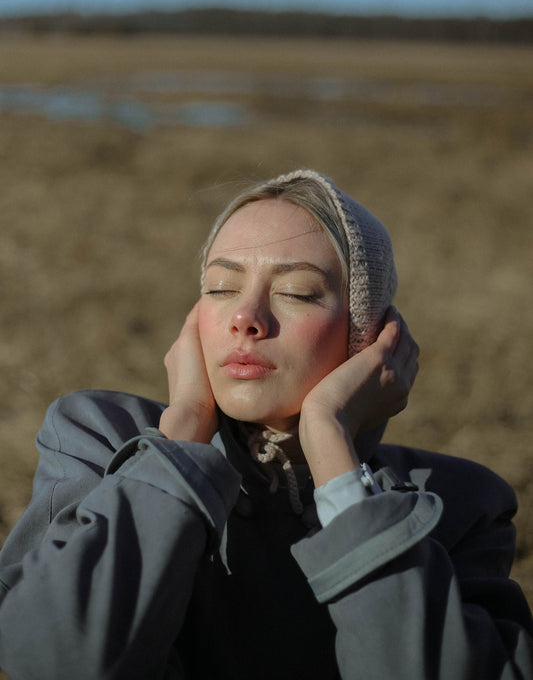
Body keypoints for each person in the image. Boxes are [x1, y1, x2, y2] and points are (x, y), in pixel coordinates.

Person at [0, 168, 531, 680]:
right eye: (221, 288)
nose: (244, 317)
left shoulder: (456, 505)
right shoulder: (97, 439)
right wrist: (181, 434)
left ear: (367, 336)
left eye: (297, 292)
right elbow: (60, 658)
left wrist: (332, 453)